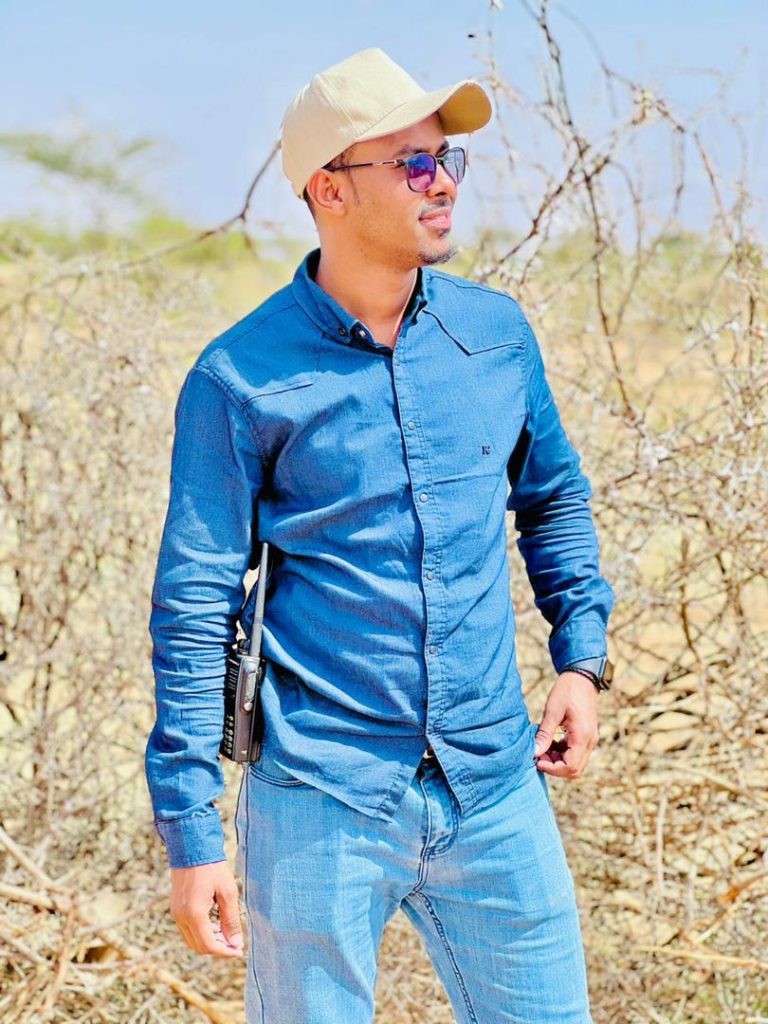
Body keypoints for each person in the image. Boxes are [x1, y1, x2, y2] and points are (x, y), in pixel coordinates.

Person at [145, 46, 616, 1024]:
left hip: (495, 785)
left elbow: (555, 497)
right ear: (329, 190)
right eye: (411, 163)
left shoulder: (495, 336)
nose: (441, 181)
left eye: (447, 159)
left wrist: (581, 658)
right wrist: (192, 831)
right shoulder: (240, 377)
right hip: (320, 795)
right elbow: (194, 608)